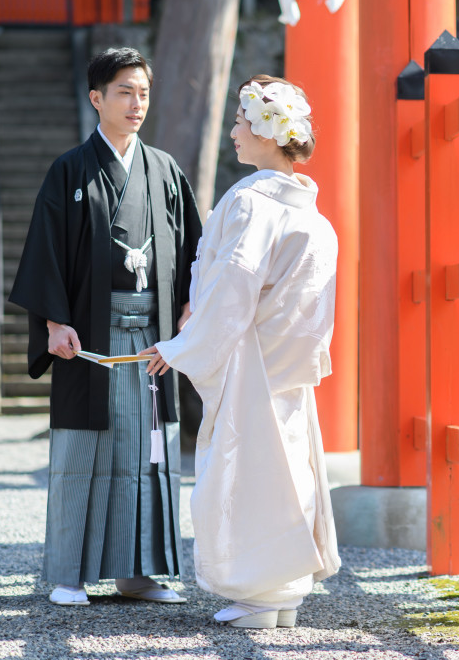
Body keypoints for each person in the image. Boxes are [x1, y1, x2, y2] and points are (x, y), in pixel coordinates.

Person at [140, 74, 341, 629]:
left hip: (251, 359)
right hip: (288, 362)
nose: (233, 132)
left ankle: (259, 594)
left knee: (246, 471)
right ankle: (282, 594)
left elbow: (232, 286)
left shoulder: (252, 201)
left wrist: (182, 345)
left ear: (268, 132)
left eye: (240, 122)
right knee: (286, 470)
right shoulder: (313, 216)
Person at [9, 47, 201, 607]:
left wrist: (191, 306)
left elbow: (194, 248)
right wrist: (53, 322)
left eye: (143, 92)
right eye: (124, 91)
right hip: (87, 339)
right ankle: (69, 574)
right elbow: (44, 253)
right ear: (96, 98)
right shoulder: (69, 170)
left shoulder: (164, 170)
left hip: (153, 340)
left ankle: (138, 573)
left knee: (149, 454)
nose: (137, 102)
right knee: (82, 453)